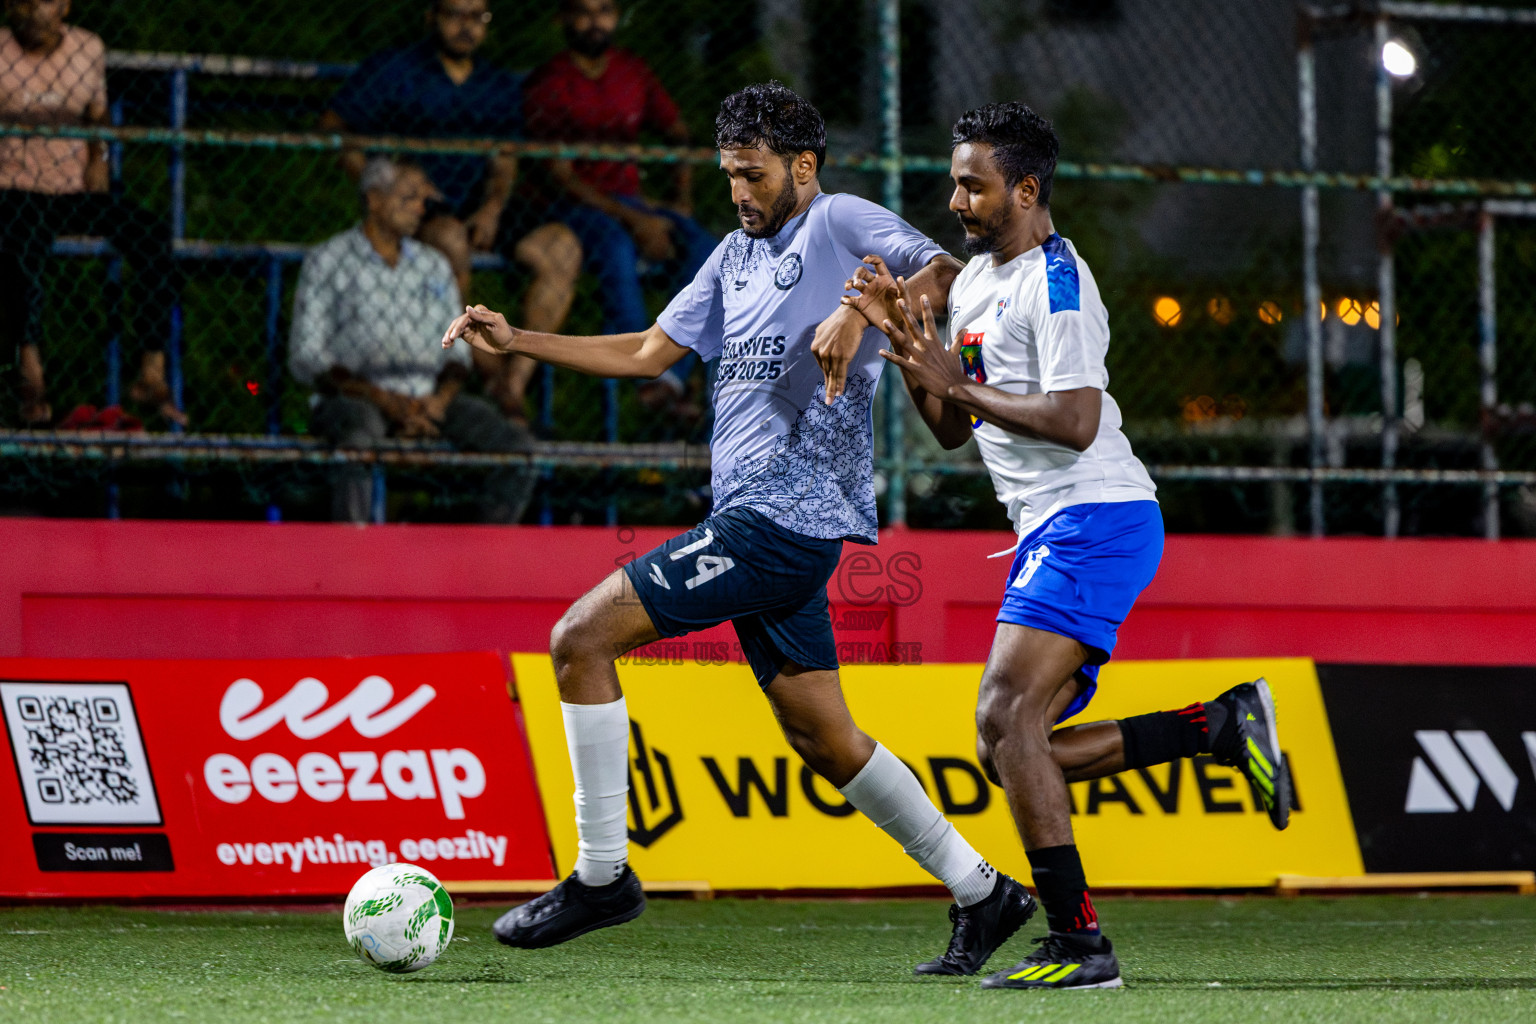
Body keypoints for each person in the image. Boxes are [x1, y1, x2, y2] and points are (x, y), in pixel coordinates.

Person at [442, 82, 1037, 978]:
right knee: (825, 737)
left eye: (754, 174)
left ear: (803, 166)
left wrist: (858, 309)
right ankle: (983, 890)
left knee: (579, 639)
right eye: (729, 174)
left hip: (785, 519)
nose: (739, 192)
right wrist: (518, 338)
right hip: (757, 520)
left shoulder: (837, 219)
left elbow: (950, 275)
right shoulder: (731, 255)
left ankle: (602, 877)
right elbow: (650, 351)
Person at [844, 102, 1295, 990]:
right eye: (955, 184)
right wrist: (911, 351)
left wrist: (954, 387)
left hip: (1097, 512)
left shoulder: (1059, 283)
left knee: (1005, 715)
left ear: (1026, 190)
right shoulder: (975, 281)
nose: (956, 201)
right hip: (1052, 525)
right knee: (1010, 746)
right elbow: (951, 429)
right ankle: (1217, 726)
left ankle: (1081, 944)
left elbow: (1076, 421)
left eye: (973, 186)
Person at [320, 0, 580, 422]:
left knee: (562, 247)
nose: (466, 26)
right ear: (432, 17)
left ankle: (514, 382)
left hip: (483, 205)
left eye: (477, 16)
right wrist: (384, 184)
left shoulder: (496, 82)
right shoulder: (396, 69)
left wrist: (493, 207)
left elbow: (505, 157)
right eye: (455, 14)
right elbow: (335, 124)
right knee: (449, 239)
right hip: (425, 208)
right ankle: (487, 373)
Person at [290, 157, 534, 524]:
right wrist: (385, 400)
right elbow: (308, 357)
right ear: (374, 200)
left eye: (423, 199)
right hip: (355, 396)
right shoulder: (328, 261)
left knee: (518, 448)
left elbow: (459, 354)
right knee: (357, 439)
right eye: (409, 198)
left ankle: (481, 553)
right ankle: (353, 551)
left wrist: (437, 401)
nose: (421, 208)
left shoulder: (432, 265)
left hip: (429, 399)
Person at [521, 0, 717, 412]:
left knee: (708, 251)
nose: (595, 21)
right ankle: (643, 367)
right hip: (570, 205)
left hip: (631, 201)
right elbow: (560, 177)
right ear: (564, 17)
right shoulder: (550, 81)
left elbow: (678, 133)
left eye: (605, 10)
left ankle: (669, 378)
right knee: (616, 248)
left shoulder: (632, 71)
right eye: (584, 11)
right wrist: (637, 220)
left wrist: (680, 201)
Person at [0, 0, 182, 426]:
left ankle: (152, 369)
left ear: (65, 6)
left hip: (72, 191)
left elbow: (98, 116)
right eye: (24, 1)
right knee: (22, 240)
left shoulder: (86, 48)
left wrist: (99, 158)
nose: (34, 11)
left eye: (45, 0)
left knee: (150, 233)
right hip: (13, 188)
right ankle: (30, 372)